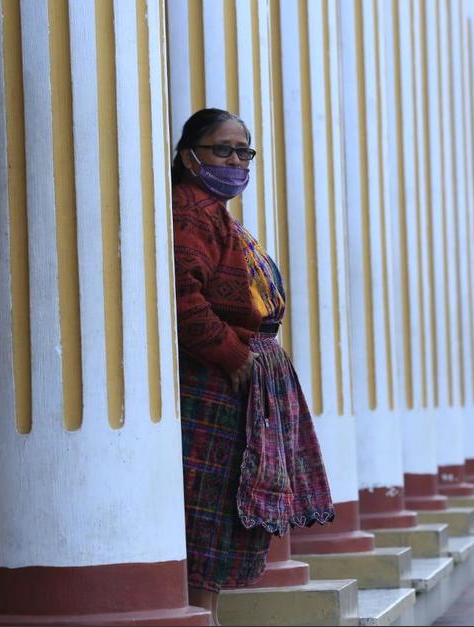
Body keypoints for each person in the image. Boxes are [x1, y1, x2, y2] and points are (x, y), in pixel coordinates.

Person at [171, 108, 334, 623]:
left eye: (244, 152)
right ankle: (201, 615)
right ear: (188, 156)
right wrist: (232, 353)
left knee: (223, 509)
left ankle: (209, 614)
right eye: (224, 150)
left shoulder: (217, 214)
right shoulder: (189, 213)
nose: (237, 161)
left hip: (240, 383)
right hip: (216, 384)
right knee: (208, 508)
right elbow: (183, 296)